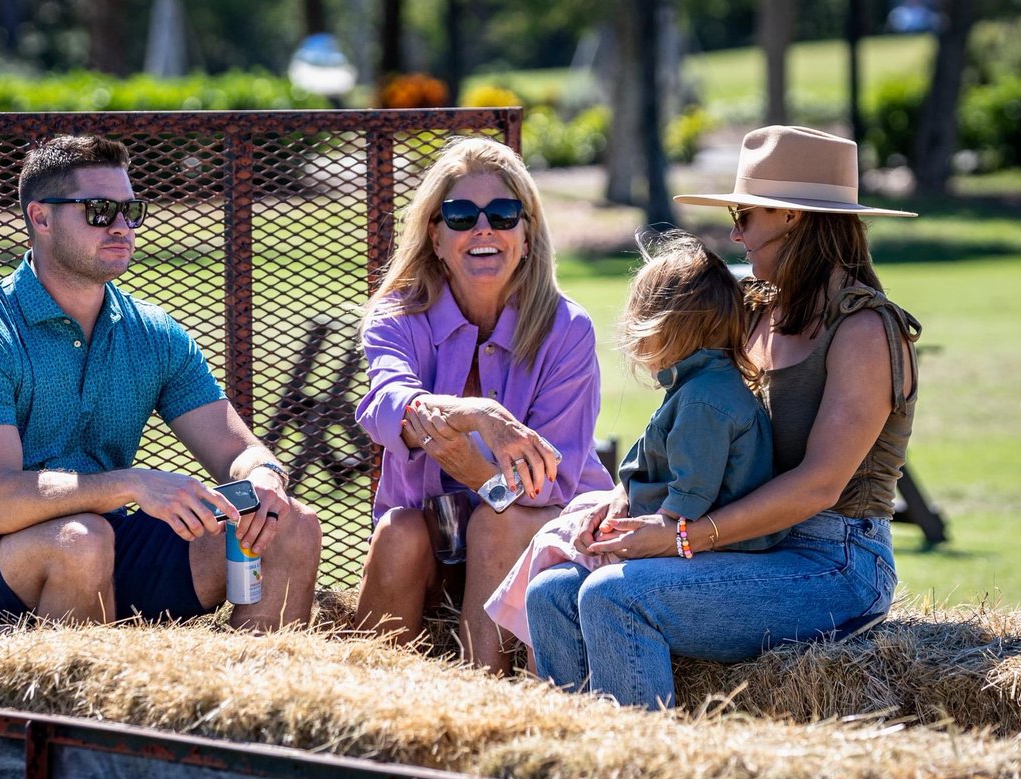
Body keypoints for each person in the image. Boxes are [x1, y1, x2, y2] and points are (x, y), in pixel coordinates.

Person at [526, 125, 921, 708]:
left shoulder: (865, 330)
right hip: (744, 541)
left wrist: (681, 537)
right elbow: (689, 429)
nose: (735, 234)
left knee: (614, 596)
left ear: (791, 217)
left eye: (744, 215)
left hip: (834, 561)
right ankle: (580, 758)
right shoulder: (755, 309)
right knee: (552, 593)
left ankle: (637, 760)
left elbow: (819, 485)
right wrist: (623, 503)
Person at [0, 134, 322, 630]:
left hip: (101, 540)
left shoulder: (153, 333)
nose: (122, 226)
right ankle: (74, 686)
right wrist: (132, 483)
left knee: (292, 526)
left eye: (131, 210)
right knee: (82, 542)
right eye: (100, 210)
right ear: (41, 218)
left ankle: (253, 681)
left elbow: (238, 452)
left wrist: (264, 476)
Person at [353, 136, 614, 672]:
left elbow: (552, 484)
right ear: (435, 235)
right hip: (433, 539)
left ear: (527, 232)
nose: (483, 229)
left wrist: (475, 471)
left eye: (502, 214)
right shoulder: (395, 316)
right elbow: (386, 404)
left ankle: (480, 697)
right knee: (400, 531)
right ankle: (375, 700)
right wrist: (476, 415)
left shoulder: (567, 329)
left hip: (544, 536)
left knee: (497, 521)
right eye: (460, 215)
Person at [485, 232, 785, 646]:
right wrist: (621, 498)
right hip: (687, 531)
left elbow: (690, 498)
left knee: (554, 544)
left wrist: (633, 534)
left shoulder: (703, 400)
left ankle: (521, 659)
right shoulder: (703, 384)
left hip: (706, 548)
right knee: (565, 538)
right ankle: (531, 655)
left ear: (670, 327)